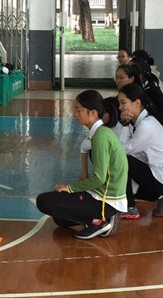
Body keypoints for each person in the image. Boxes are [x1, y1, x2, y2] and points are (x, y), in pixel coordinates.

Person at [36, 90, 127, 239]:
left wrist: (70, 188)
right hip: (101, 195)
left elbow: (99, 179)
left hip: (106, 201)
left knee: (44, 201)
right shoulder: (100, 133)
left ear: (92, 113)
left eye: (79, 110)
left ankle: (101, 221)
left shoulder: (101, 137)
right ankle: (95, 220)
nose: (75, 114)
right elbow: (87, 174)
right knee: (60, 219)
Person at [117, 84, 163, 219]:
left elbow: (124, 150)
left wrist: (123, 124)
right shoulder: (142, 121)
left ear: (137, 103)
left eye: (123, 103)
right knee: (126, 170)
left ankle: (130, 207)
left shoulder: (146, 125)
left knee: (121, 160)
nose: (120, 108)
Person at [114, 62, 163, 129]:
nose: (118, 81)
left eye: (121, 78)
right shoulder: (127, 93)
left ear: (131, 79)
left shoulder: (140, 94)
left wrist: (125, 122)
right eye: (116, 78)